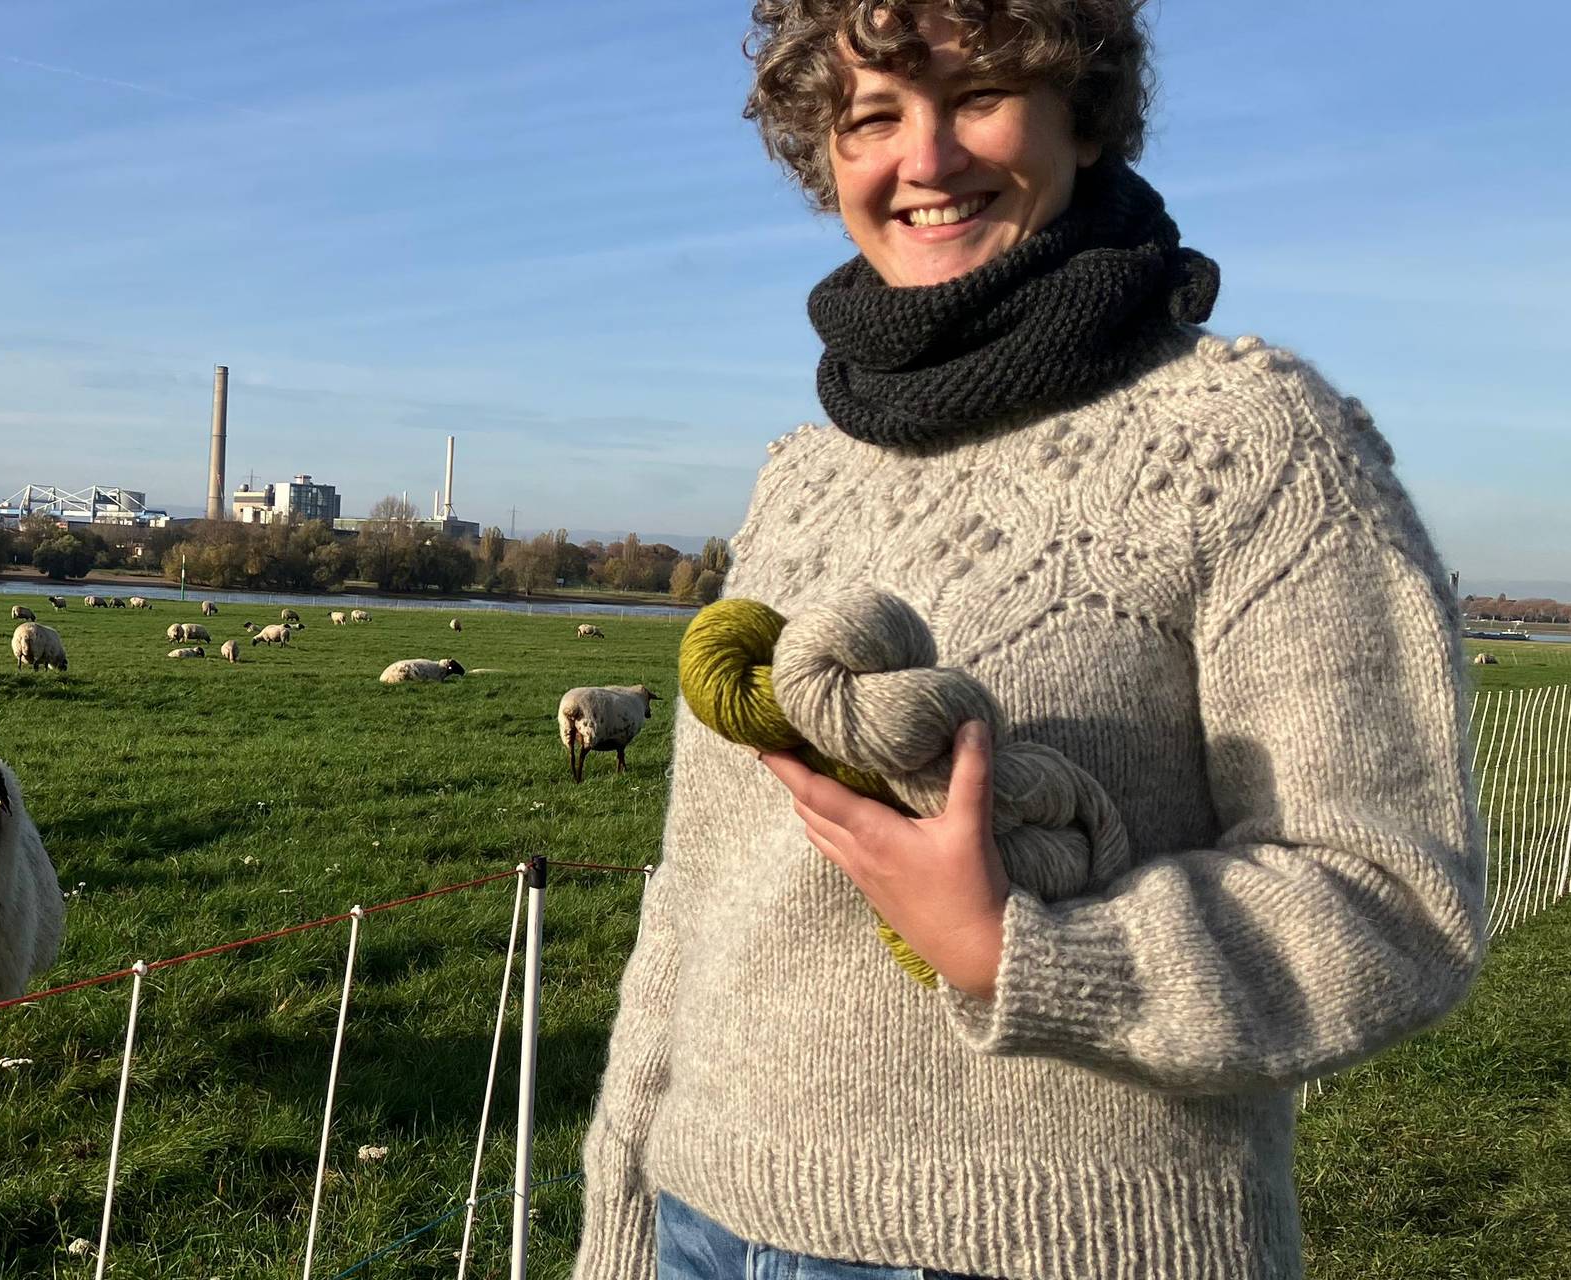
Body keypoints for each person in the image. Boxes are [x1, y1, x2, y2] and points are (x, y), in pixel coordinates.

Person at [571, 3, 1485, 1278]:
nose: (926, 159)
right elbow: (692, 902)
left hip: (1057, 1244)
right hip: (705, 1223)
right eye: (873, 115)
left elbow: (1392, 897)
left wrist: (1019, 951)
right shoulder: (801, 478)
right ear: (822, 154)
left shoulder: (1256, 442)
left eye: (981, 95)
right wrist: (621, 1219)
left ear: (1083, 116)